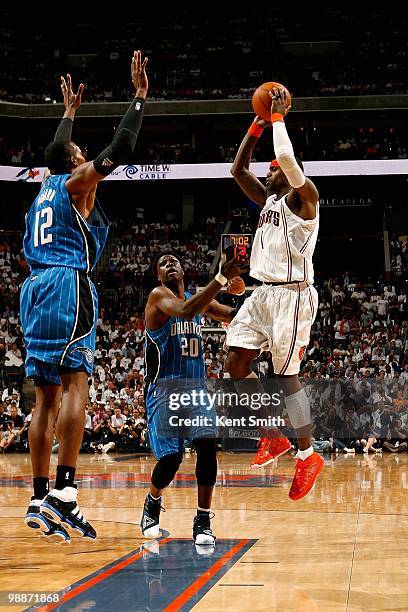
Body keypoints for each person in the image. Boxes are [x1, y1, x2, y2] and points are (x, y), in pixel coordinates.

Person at [21, 51, 148, 543]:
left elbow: (55, 147)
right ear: (74, 163)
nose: (81, 154)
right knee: (77, 385)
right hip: (65, 284)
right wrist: (139, 97)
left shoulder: (43, 190)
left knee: (44, 399)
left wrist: (69, 113)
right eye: (78, 151)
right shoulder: (77, 182)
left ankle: (38, 496)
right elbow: (120, 149)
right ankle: (66, 494)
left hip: (33, 289)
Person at [225, 86, 324, 500]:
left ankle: (307, 454)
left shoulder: (306, 199)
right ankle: (272, 433)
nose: (267, 173)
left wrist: (280, 118)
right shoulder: (268, 200)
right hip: (262, 294)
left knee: (287, 379)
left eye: (273, 170)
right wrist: (257, 123)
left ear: (289, 172)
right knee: (235, 362)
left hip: (293, 297)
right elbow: (236, 169)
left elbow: (285, 158)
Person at [140, 251, 247, 546]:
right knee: (171, 461)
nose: (169, 263)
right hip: (164, 390)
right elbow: (187, 311)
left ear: (184, 269)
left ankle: (202, 519)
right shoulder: (158, 297)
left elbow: (230, 315)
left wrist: (258, 299)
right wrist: (222, 278)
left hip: (196, 390)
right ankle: (153, 500)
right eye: (162, 262)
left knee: (207, 446)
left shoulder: (198, 300)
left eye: (174, 260)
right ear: (158, 276)